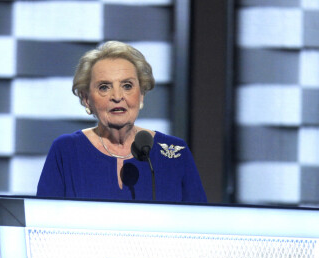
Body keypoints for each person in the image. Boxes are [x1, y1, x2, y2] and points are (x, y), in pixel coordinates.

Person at [36, 41, 207, 203]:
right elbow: (42, 220)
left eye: (127, 85)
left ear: (141, 95)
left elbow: (199, 224)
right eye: (104, 87)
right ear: (86, 99)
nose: (117, 97)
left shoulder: (174, 153)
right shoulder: (66, 151)